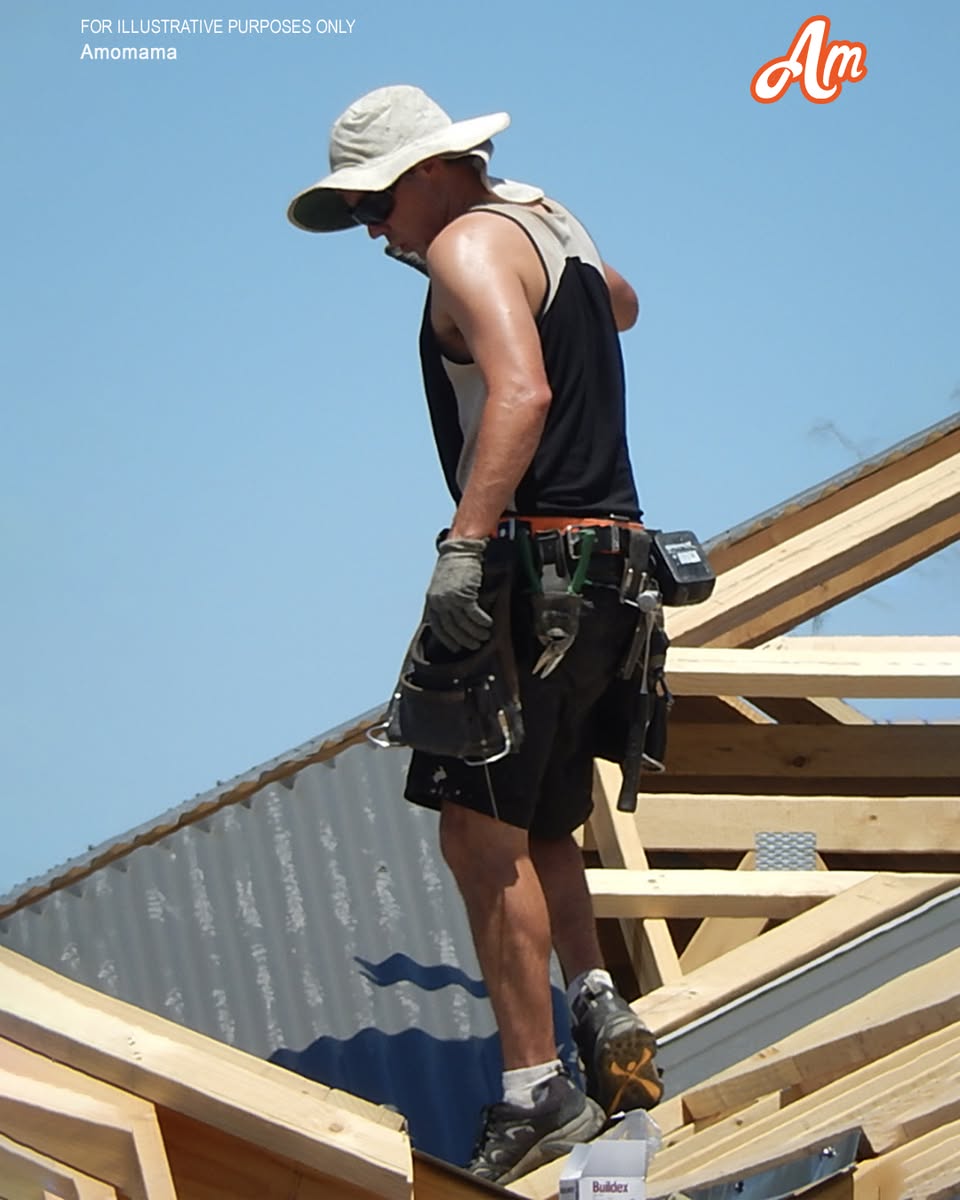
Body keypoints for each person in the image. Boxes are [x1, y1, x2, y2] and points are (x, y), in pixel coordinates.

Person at [288, 84, 663, 1185]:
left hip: (531, 567)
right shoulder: (552, 225)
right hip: (614, 567)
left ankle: (533, 1089)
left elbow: (522, 389)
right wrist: (547, 272)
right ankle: (598, 1012)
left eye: (373, 203)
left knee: (473, 833)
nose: (373, 232)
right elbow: (621, 305)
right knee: (542, 814)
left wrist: (465, 547)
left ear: (425, 174)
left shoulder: (463, 244)